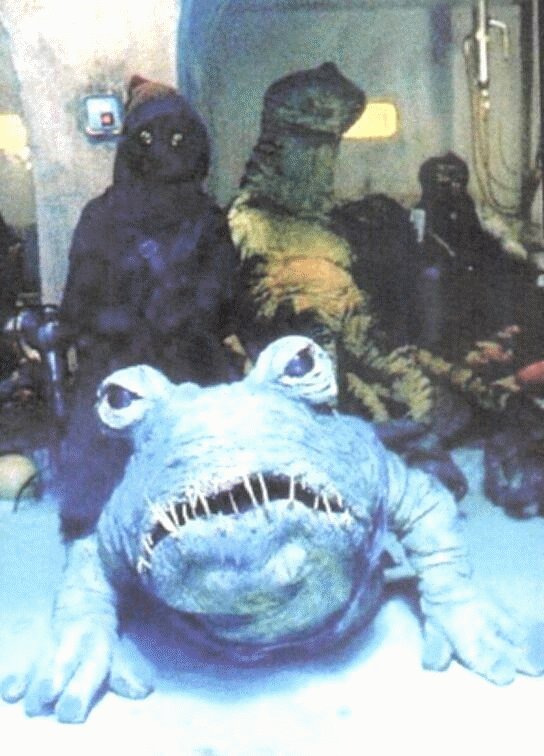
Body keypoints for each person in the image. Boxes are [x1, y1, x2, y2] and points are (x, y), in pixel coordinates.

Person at [57, 75, 240, 537]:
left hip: (126, 373)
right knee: (203, 500)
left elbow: (77, 306)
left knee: (105, 508)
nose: (165, 149)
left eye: (175, 138)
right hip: (184, 373)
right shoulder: (206, 217)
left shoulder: (103, 215)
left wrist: (117, 328)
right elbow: (224, 301)